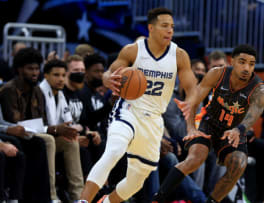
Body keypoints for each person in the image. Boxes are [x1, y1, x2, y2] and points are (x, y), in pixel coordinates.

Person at [78, 7, 197, 203]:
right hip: (129, 110)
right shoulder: (133, 50)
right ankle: (82, 200)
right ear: (151, 28)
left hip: (153, 119)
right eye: (164, 26)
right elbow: (110, 72)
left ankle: (105, 202)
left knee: (136, 181)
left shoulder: (179, 55)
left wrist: (191, 103)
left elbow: (192, 87)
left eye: (172, 27)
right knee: (114, 150)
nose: (170, 31)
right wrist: (108, 79)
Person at [153, 44, 264, 203]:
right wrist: (191, 127)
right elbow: (194, 101)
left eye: (251, 64)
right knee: (195, 159)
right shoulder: (217, 74)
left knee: (239, 164)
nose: (247, 68)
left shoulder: (259, 89)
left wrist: (239, 129)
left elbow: (254, 113)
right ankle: (158, 198)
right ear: (232, 62)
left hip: (232, 130)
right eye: (242, 62)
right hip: (210, 123)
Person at [39, 59, 84, 202]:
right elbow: (34, 125)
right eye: (56, 75)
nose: (61, 79)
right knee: (50, 141)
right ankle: (52, 196)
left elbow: (68, 122)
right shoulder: (39, 92)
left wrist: (75, 132)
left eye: (63, 75)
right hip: (37, 137)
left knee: (71, 142)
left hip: (52, 134)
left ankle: (78, 196)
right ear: (46, 75)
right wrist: (58, 129)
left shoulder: (60, 93)